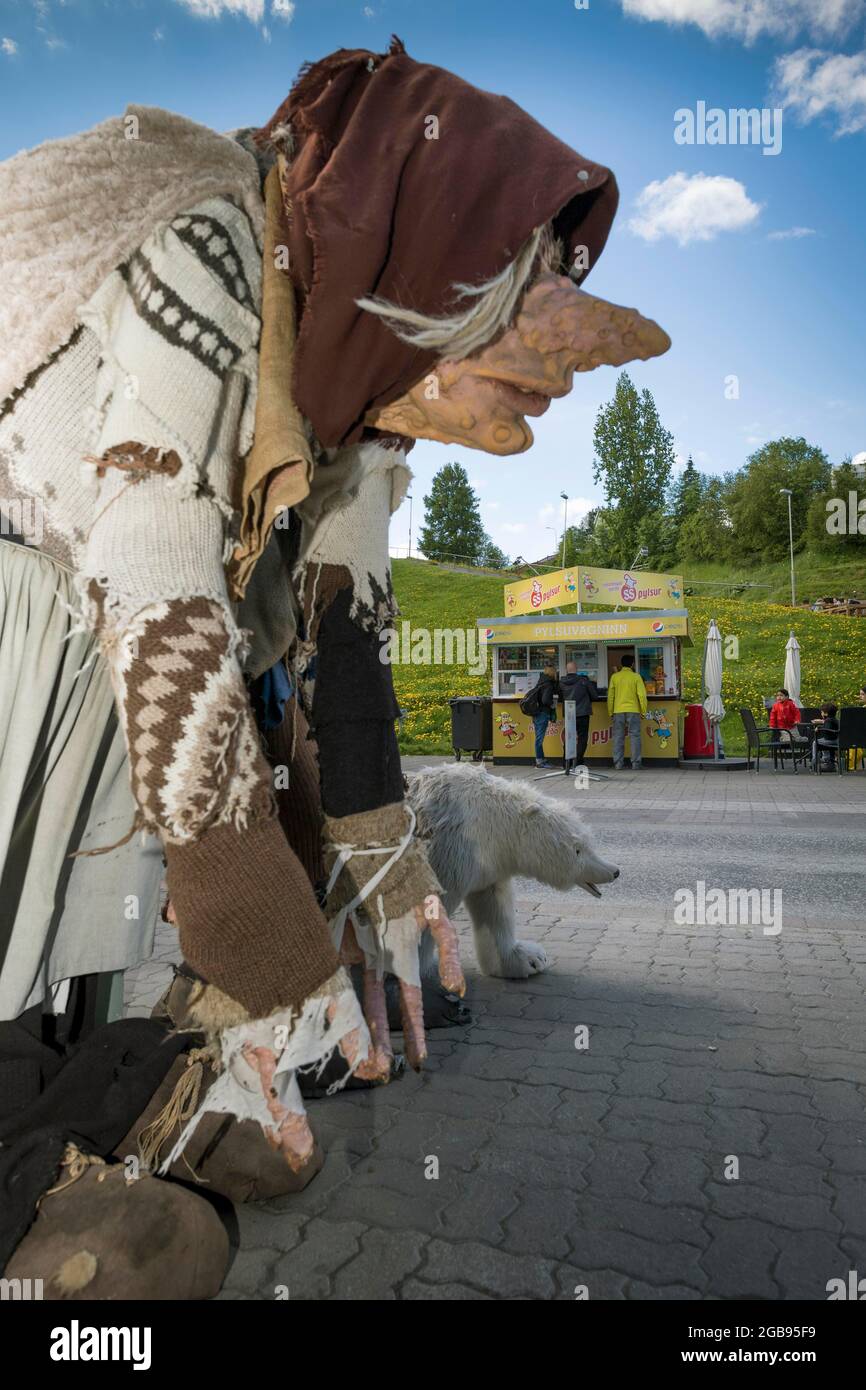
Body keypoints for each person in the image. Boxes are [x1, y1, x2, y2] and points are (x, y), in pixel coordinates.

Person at [0, 37, 671, 1293]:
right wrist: (266, 936)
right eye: (503, 324)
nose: (527, 398)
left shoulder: (351, 404)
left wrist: (380, 850)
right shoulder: (211, 242)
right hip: (32, 601)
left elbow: (344, 624)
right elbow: (152, 560)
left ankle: (74, 1128)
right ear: (428, 274)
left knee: (52, 943)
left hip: (86, 648)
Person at [607, 653, 647, 770]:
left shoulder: (615, 677)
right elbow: (642, 696)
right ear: (632, 664)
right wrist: (643, 711)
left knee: (618, 737)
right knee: (635, 736)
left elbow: (610, 697)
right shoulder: (636, 677)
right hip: (633, 710)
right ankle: (636, 763)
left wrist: (610, 712)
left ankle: (618, 763)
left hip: (618, 711)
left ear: (621, 664)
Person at [559, 661, 601, 766]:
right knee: (582, 738)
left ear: (567, 670)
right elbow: (595, 696)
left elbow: (560, 698)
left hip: (569, 714)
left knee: (569, 738)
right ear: (576, 669)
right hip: (582, 713)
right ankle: (578, 761)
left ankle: (566, 763)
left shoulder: (561, 682)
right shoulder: (584, 681)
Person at [533, 665, 560, 769]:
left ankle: (541, 759)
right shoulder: (548, 684)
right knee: (539, 739)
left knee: (538, 738)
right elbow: (545, 700)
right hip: (543, 713)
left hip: (536, 713)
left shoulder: (540, 682)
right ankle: (539, 761)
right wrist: (552, 703)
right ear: (553, 673)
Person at [812, 702, 839, 771]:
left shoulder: (828, 720)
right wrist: (821, 725)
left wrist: (819, 728)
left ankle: (815, 761)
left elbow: (827, 729)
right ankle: (827, 759)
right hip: (837, 740)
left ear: (826, 713)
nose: (821, 713)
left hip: (830, 740)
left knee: (815, 742)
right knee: (822, 740)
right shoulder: (835, 719)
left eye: (822, 712)